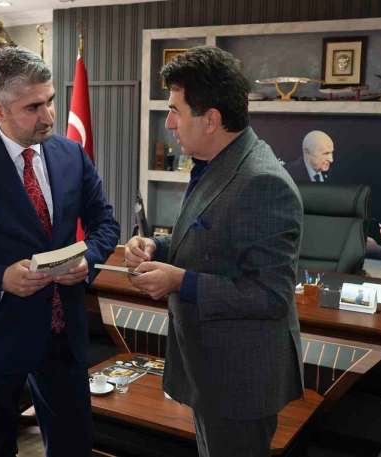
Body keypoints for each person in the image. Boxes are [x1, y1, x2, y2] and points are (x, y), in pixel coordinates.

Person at [124, 45, 304, 457]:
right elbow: (208, 241)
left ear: (211, 120)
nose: (169, 123)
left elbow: (270, 295)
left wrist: (180, 282)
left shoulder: (262, 183)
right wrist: (157, 247)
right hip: (210, 371)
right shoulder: (216, 161)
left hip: (239, 382)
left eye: (175, 110)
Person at [0, 46, 120, 457]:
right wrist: (0, 277)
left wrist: (88, 260)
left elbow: (105, 223)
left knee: (74, 446)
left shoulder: (71, 154)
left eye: (50, 101)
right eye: (33, 107)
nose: (49, 117)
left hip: (65, 333)